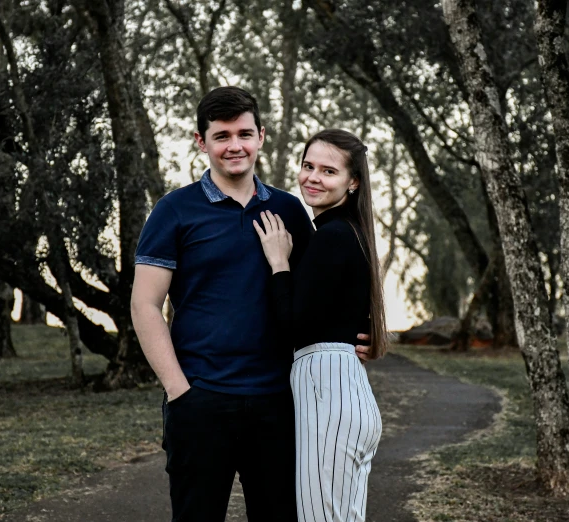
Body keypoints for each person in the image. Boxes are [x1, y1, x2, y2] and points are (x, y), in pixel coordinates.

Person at [130, 88, 370, 522]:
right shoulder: (174, 210)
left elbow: (319, 291)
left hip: (280, 403)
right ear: (201, 142)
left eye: (244, 133)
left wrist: (355, 335)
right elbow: (145, 305)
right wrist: (178, 391)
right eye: (221, 136)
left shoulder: (290, 210)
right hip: (201, 399)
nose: (234, 146)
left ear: (261, 136)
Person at [252, 129, 388, 522]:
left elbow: (291, 326)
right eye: (308, 166)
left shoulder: (332, 236)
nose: (312, 177)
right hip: (349, 394)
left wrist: (279, 262)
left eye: (328, 171)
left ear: (353, 181)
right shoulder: (351, 233)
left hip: (328, 394)